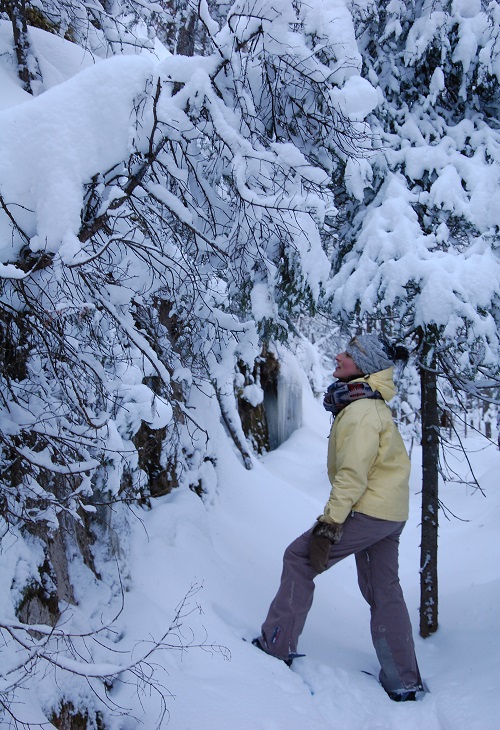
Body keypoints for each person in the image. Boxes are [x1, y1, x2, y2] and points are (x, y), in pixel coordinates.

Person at [253, 333, 425, 701]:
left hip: (367, 509)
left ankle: (276, 645)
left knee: (299, 558)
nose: (338, 355)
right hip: (389, 513)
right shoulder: (370, 404)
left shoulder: (361, 411)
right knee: (384, 591)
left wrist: (329, 525)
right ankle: (403, 679)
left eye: (348, 353)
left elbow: (352, 476)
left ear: (363, 367)